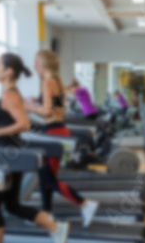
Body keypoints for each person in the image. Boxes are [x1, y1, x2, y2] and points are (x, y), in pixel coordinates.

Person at [0, 53, 70, 243]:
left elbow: (24, 123)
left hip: (6, 154)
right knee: (12, 205)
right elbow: (5, 120)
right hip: (11, 152)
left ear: (9, 72)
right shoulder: (10, 94)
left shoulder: (11, 95)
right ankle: (55, 228)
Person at [25, 49, 99, 227]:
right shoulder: (57, 81)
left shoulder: (47, 81)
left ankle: (85, 204)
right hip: (59, 130)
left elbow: (46, 112)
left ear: (44, 64)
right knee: (45, 177)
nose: (34, 67)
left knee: (49, 179)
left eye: (36, 63)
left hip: (53, 133)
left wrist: (26, 106)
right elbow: (57, 105)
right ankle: (47, 213)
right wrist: (37, 102)